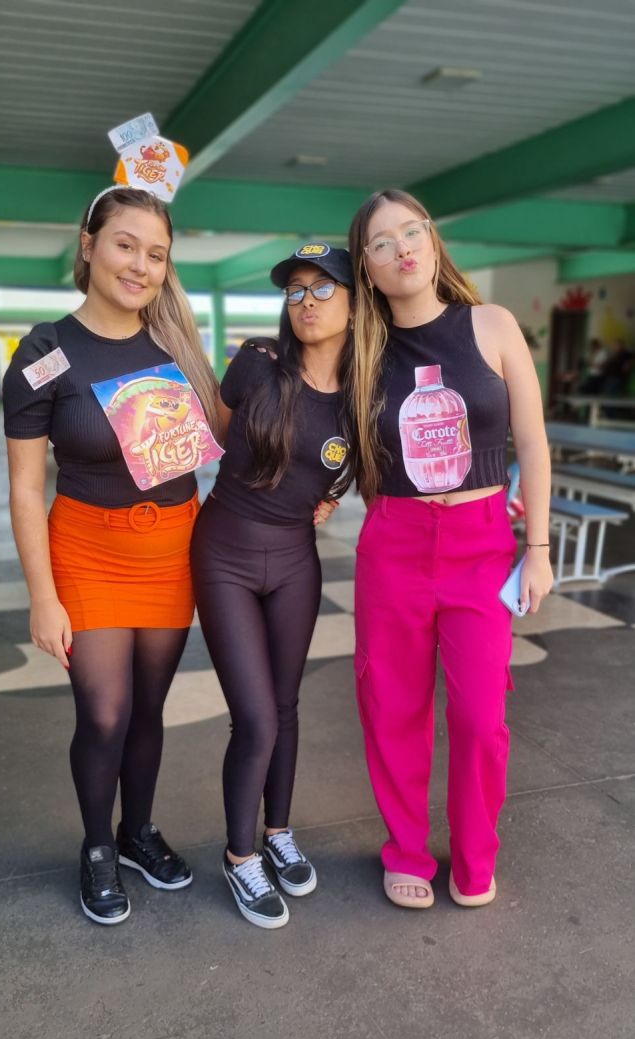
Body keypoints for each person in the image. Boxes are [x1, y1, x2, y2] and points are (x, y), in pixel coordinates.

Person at [3, 186, 219, 925]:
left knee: (149, 708)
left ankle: (137, 832)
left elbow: (237, 434)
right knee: (104, 712)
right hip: (87, 550)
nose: (139, 265)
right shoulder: (45, 353)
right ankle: (97, 845)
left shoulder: (176, 346)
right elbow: (26, 487)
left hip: (172, 548)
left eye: (156, 254)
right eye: (125, 244)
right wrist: (42, 595)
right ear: (89, 244)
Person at [348, 189, 553, 910]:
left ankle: (474, 854)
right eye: (382, 242)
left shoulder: (491, 324)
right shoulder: (361, 348)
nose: (402, 248)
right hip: (394, 545)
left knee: (479, 716)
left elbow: (531, 441)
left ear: (432, 239)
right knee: (392, 707)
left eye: (412, 231)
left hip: (482, 546)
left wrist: (537, 546)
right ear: (366, 267)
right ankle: (405, 850)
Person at [190, 244, 354, 929]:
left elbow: (360, 463)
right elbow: (215, 439)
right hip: (224, 552)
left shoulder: (364, 392)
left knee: (284, 707)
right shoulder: (258, 361)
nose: (307, 302)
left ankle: (278, 832)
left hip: (294, 561)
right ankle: (240, 857)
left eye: (323, 288)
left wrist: (333, 493)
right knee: (255, 717)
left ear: (355, 303)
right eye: (296, 291)